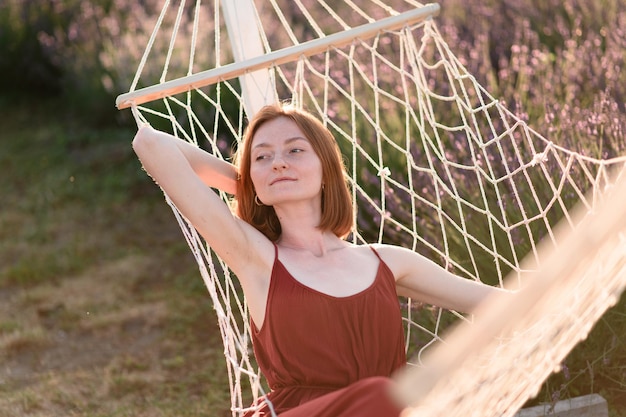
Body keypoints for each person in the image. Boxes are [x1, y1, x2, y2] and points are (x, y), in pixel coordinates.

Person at [132, 103, 508, 416]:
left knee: (398, 396)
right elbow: (149, 143)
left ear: (327, 170)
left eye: (295, 151)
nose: (279, 163)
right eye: (263, 156)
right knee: (379, 395)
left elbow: (496, 302)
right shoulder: (257, 258)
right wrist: (250, 185)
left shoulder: (388, 262)